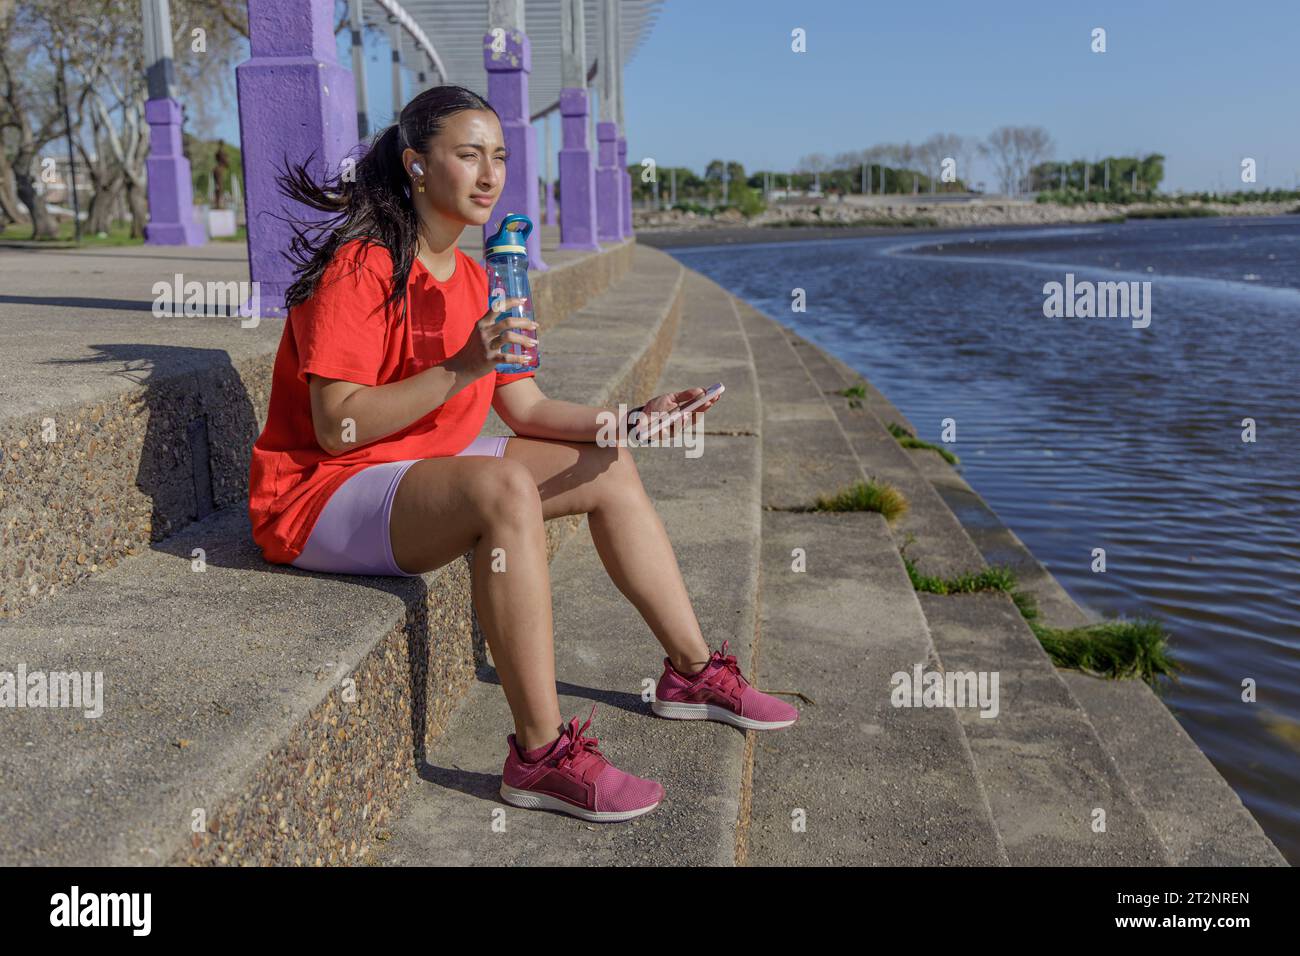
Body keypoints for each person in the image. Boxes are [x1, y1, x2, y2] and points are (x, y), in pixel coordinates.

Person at [247, 85, 796, 824]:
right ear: (414, 165)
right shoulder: (363, 266)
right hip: (320, 493)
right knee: (503, 488)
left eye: (499, 156)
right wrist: (463, 366)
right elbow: (336, 428)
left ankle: (693, 675)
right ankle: (539, 757)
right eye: (467, 154)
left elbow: (527, 408)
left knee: (605, 465)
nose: (489, 173)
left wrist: (633, 419)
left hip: (415, 468)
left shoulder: (478, 279)